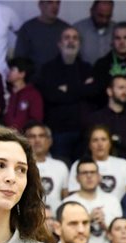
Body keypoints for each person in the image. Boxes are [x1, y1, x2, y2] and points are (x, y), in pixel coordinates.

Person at [37, 26, 98, 166]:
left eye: (75, 38)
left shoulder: (87, 68)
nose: (71, 41)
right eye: (67, 38)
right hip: (58, 131)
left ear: (79, 44)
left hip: (83, 131)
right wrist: (81, 88)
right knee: (61, 167)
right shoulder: (48, 69)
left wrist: (66, 90)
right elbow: (51, 96)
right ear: (59, 43)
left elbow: (92, 92)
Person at [62, 157, 123, 243]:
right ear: (77, 178)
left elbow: (121, 237)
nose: (89, 176)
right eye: (84, 173)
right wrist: (87, 219)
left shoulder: (112, 201)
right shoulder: (68, 203)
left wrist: (104, 224)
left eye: (92, 172)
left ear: (99, 177)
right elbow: (64, 234)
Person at [83, 75, 126, 162]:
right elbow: (88, 145)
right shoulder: (95, 118)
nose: (125, 92)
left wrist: (117, 139)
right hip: (100, 163)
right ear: (109, 91)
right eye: (121, 88)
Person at [66, 125, 126, 202]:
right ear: (89, 145)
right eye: (95, 140)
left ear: (110, 143)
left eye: (103, 139)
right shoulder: (79, 164)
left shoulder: (123, 164)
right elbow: (74, 194)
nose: (100, 144)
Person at [14, 0, 69, 79]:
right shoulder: (28, 28)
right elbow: (20, 59)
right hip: (34, 81)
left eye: (58, 3)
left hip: (59, 80)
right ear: (40, 5)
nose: (55, 6)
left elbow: (72, 58)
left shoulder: (66, 29)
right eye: (50, 2)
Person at [24, 121, 69, 216]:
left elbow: (66, 199)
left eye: (41, 136)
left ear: (49, 141)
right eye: (32, 136)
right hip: (28, 218)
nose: (37, 140)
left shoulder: (61, 166)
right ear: (25, 141)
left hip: (56, 219)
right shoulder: (20, 166)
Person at [3, 57, 43, 132]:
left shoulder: (33, 94)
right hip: (5, 134)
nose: (8, 72)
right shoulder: (6, 91)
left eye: (12, 69)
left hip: (24, 136)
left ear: (22, 74)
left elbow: (36, 119)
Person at [73, 0, 115, 66]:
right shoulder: (77, 29)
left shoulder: (116, 29)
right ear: (91, 11)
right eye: (100, 16)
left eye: (108, 16)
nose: (104, 20)